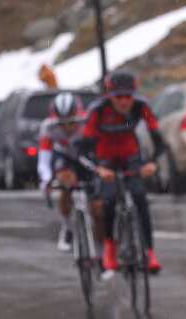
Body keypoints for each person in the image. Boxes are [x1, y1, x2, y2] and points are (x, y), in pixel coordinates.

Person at [76, 70, 166, 276]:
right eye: (119, 97)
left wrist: (152, 164)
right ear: (109, 95)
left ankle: (149, 252)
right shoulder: (97, 111)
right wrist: (98, 168)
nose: (124, 102)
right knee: (108, 200)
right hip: (105, 158)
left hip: (130, 156)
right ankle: (110, 248)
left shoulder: (142, 107)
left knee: (140, 198)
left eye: (128, 96)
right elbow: (82, 150)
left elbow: (159, 142)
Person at [37, 92, 87, 252]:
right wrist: (46, 179)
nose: (67, 127)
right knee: (65, 182)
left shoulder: (87, 122)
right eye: (62, 123)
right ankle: (67, 228)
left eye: (72, 122)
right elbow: (44, 159)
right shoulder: (48, 127)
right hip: (64, 156)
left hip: (85, 153)